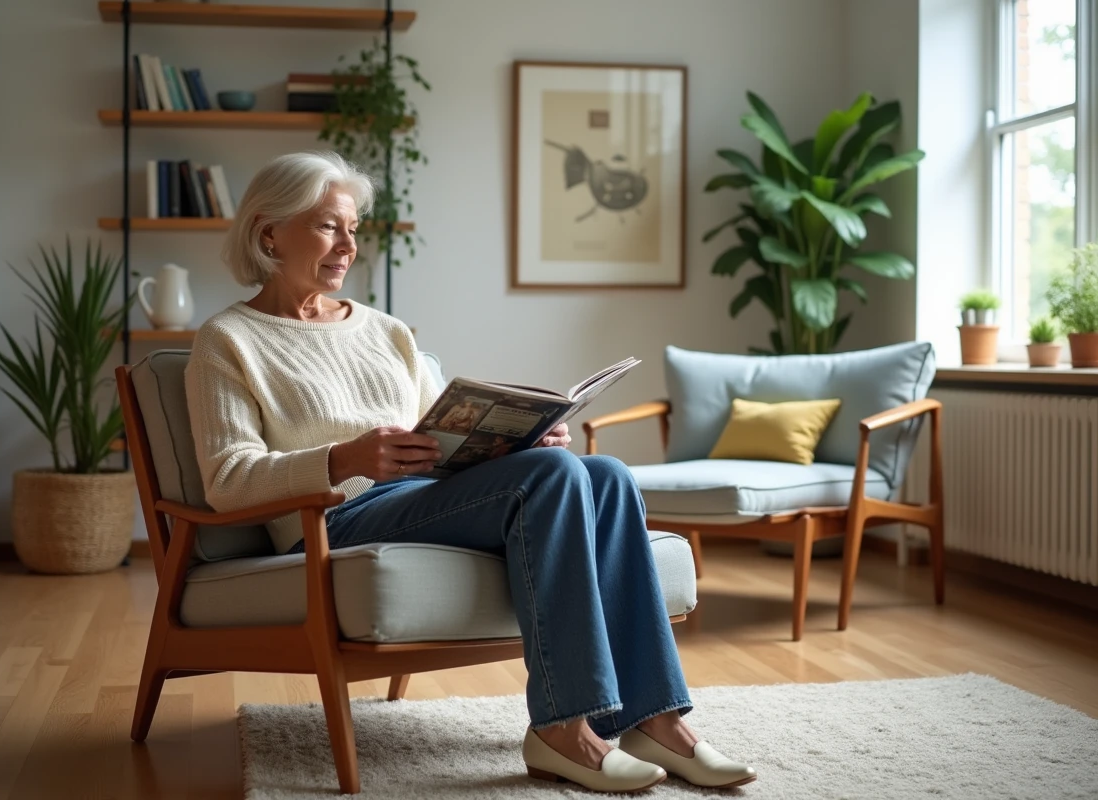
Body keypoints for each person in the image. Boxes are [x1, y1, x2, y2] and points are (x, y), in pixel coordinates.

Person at [184, 151, 757, 794]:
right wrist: (343, 459)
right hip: (335, 517)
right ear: (269, 234)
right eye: (327, 227)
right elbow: (228, 479)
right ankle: (562, 731)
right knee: (555, 477)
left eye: (351, 228)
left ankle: (656, 721)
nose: (348, 245)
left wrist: (521, 439)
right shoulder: (228, 340)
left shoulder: (388, 333)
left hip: (427, 498)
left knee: (605, 475)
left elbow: (443, 435)